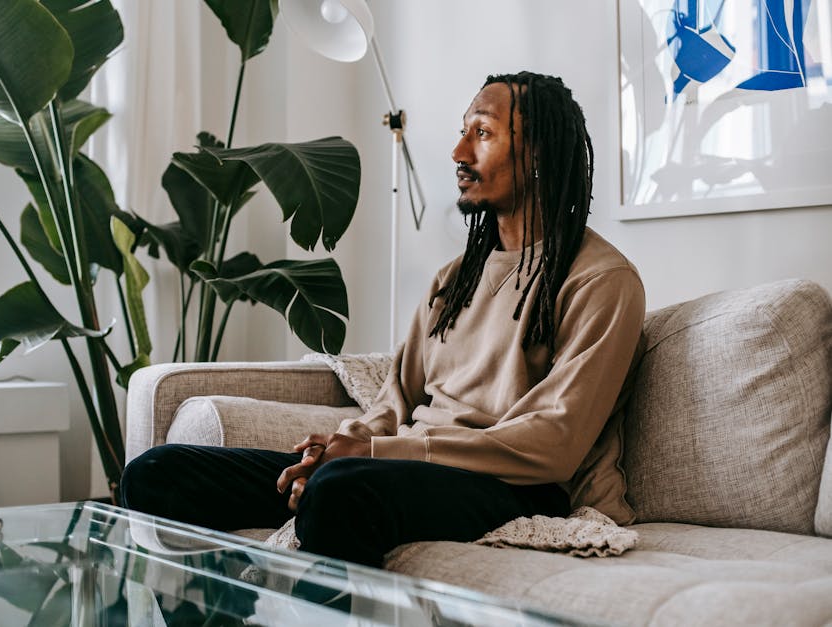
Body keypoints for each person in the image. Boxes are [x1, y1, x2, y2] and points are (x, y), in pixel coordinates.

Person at [121, 71, 645, 569]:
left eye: (481, 133)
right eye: (462, 133)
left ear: (538, 154)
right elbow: (396, 400)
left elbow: (552, 443)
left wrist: (375, 452)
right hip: (401, 467)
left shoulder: (601, 281)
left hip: (515, 484)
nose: (459, 153)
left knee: (343, 489)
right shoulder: (455, 278)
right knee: (158, 473)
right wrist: (335, 448)